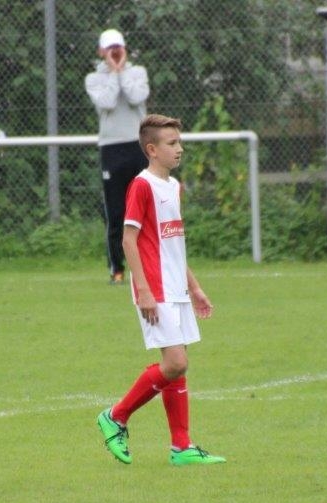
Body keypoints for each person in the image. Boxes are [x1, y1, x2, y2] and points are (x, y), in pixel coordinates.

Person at [96, 114, 225, 467]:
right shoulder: (142, 186)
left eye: (179, 142)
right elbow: (128, 239)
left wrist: (195, 288)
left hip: (175, 287)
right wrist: (143, 289)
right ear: (152, 149)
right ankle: (116, 416)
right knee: (175, 362)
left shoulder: (174, 186)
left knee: (178, 367)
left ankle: (181, 447)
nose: (179, 148)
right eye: (171, 143)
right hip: (155, 288)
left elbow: (173, 246)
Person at [85, 28, 150, 284]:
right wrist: (113, 72)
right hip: (111, 149)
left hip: (139, 145)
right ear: (101, 51)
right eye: (109, 48)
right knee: (116, 212)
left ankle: (147, 266)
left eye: (118, 47)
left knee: (145, 208)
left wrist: (122, 71)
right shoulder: (94, 79)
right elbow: (108, 102)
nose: (114, 52)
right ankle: (117, 269)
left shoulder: (138, 72)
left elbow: (136, 97)